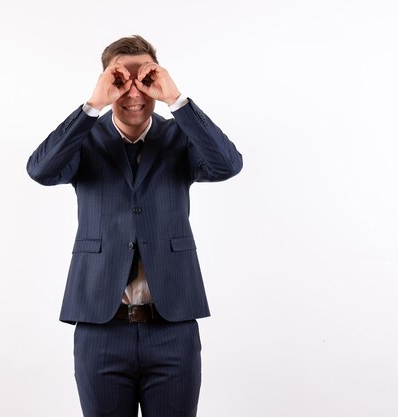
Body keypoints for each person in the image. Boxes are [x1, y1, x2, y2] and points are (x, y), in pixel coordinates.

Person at [26, 34, 242, 417]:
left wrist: (176, 99)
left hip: (172, 327)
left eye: (143, 80)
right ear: (106, 82)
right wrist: (92, 105)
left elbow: (228, 165)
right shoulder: (85, 140)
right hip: (100, 326)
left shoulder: (180, 137)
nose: (134, 94)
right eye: (120, 81)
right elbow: (41, 171)